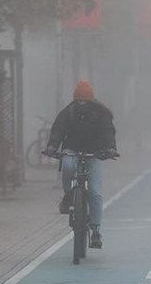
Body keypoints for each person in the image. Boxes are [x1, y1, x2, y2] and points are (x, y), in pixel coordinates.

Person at [44, 80, 118, 249]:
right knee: (68, 166)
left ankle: (96, 230)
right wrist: (52, 146)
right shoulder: (68, 112)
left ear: (92, 100)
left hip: (95, 153)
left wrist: (111, 149)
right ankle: (68, 194)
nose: (82, 103)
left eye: (85, 100)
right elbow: (58, 130)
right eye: (79, 100)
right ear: (75, 100)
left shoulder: (101, 114)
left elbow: (108, 132)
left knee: (95, 192)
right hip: (72, 150)